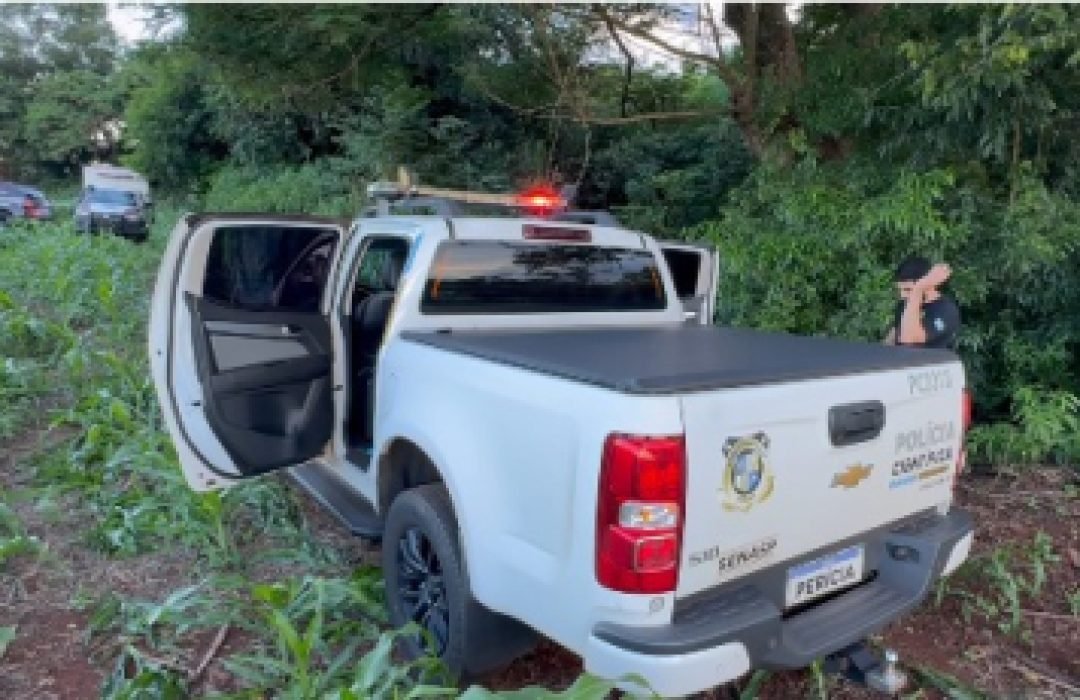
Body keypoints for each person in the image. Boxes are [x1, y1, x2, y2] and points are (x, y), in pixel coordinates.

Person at [884, 256, 960, 349]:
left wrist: (918, 289)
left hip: (930, 363)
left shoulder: (945, 310)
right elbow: (893, 336)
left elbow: (909, 339)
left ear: (928, 285)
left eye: (908, 289)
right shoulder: (904, 304)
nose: (902, 295)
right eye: (900, 290)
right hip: (902, 361)